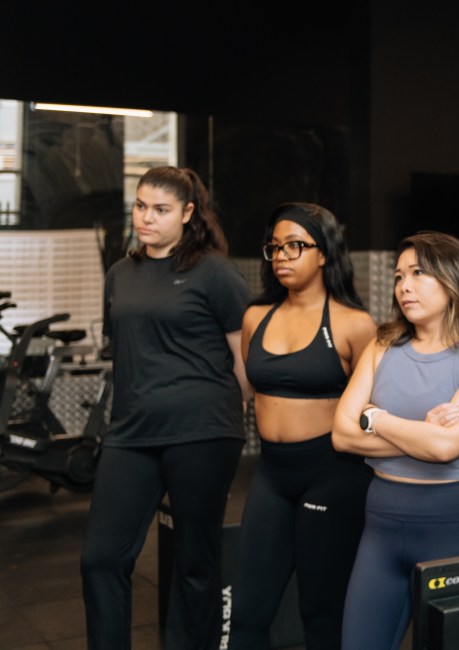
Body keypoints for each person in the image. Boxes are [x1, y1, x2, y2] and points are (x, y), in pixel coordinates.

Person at [81, 165, 252, 650]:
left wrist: (229, 411)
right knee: (101, 558)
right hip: (131, 432)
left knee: (194, 563)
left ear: (188, 213)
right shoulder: (120, 274)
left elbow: (244, 357)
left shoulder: (215, 273)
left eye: (161, 209)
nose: (146, 217)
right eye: (141, 206)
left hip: (202, 430)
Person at [331, 230, 459, 650]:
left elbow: (444, 448)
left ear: (453, 279)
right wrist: (421, 432)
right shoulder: (382, 346)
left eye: (418, 273)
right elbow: (341, 435)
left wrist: (374, 417)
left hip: (453, 522)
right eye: (399, 276)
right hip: (382, 522)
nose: (404, 286)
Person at [228, 203, 376, 648]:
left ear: (324, 252)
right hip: (271, 473)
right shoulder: (256, 316)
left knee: (320, 612)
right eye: (275, 247)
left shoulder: (354, 324)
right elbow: (247, 388)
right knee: (248, 612)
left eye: (295, 246)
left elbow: (372, 409)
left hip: (331, 474)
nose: (282, 256)